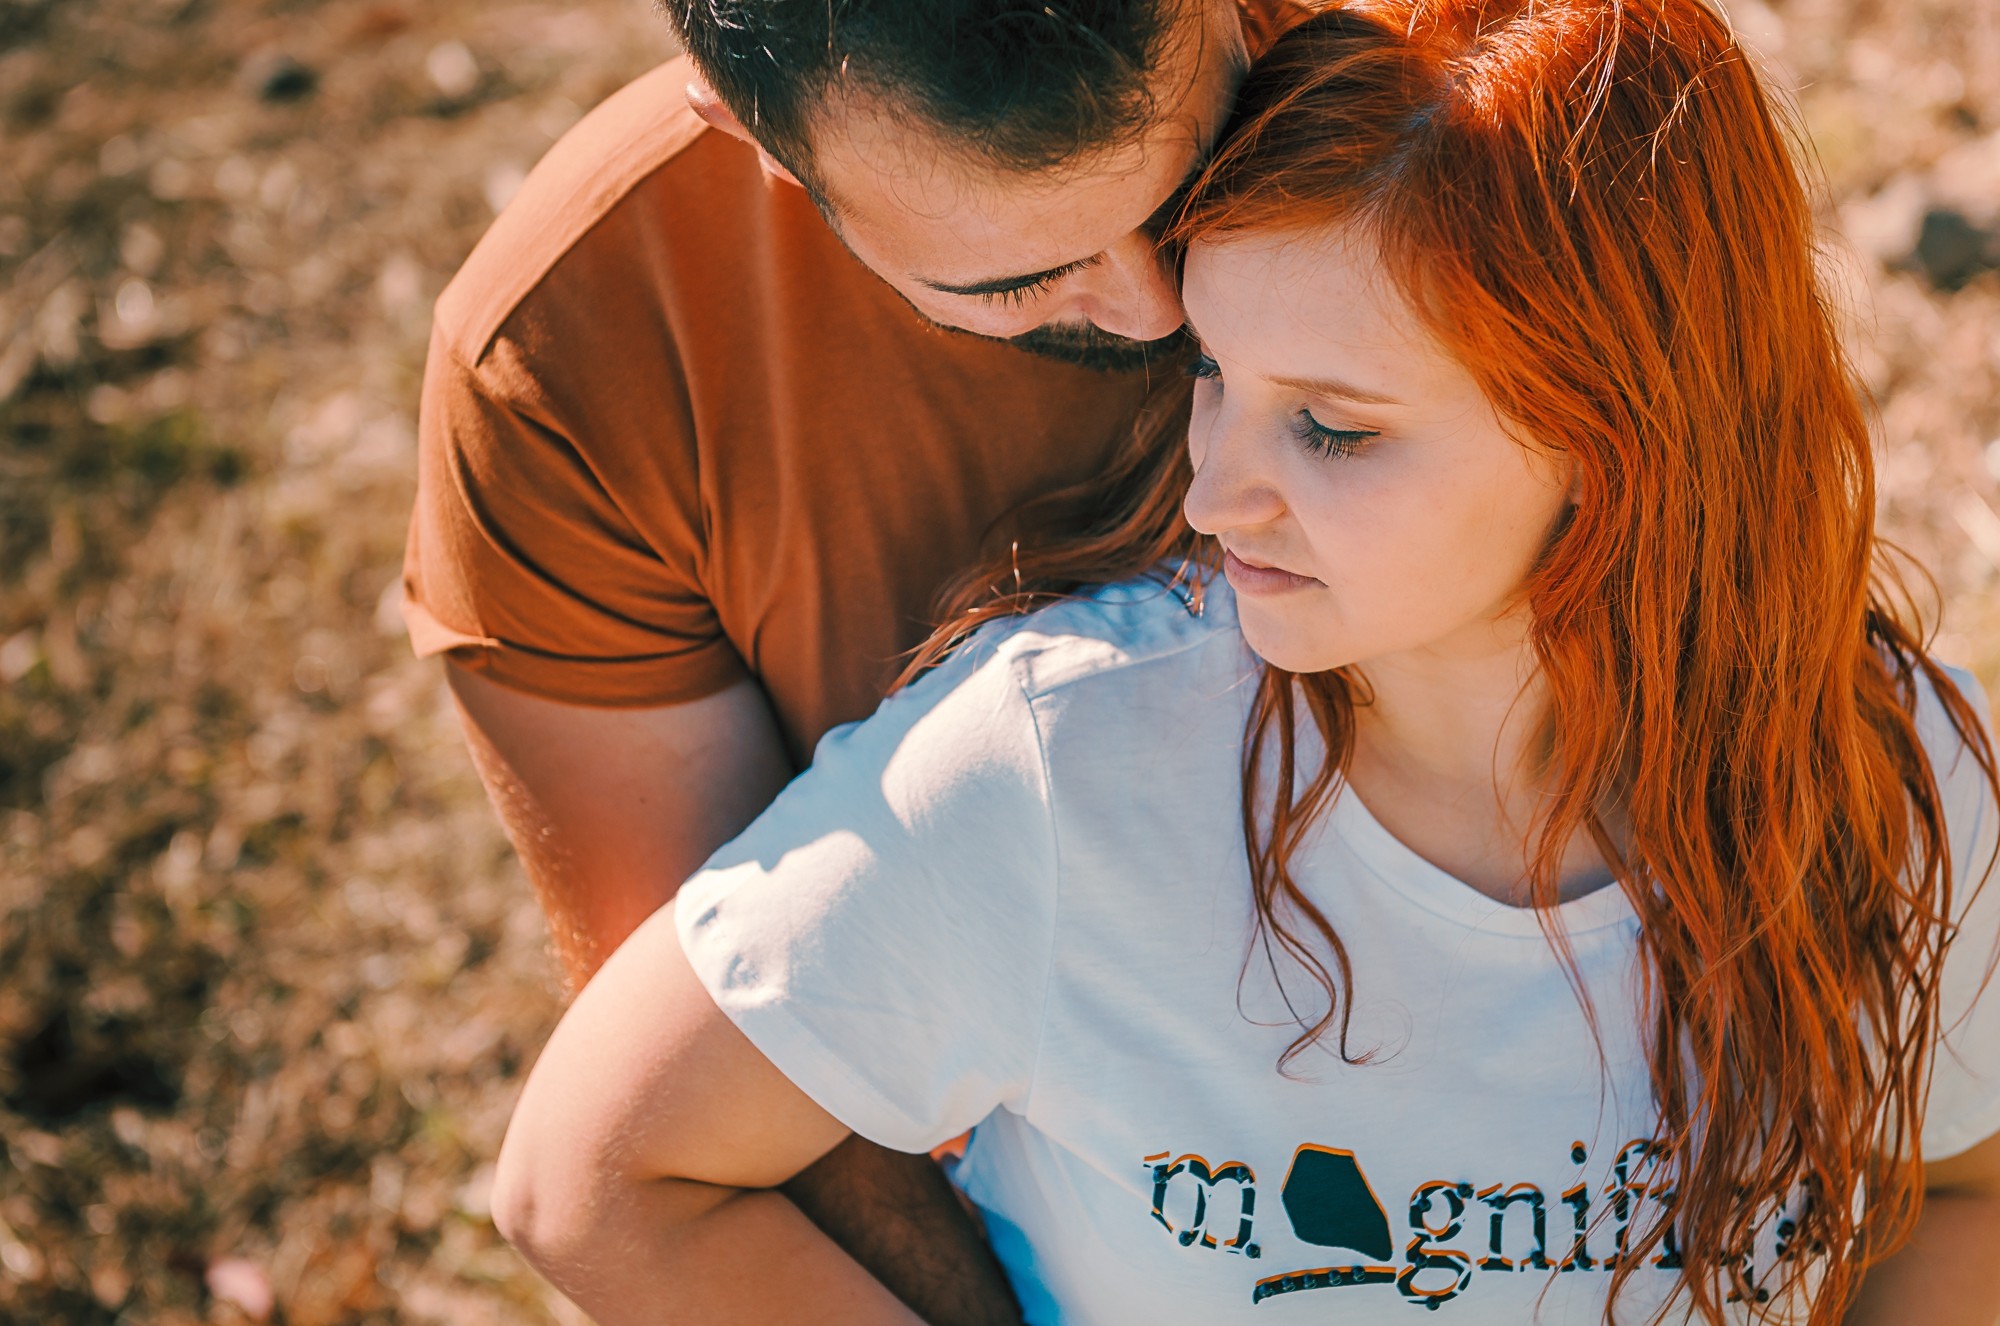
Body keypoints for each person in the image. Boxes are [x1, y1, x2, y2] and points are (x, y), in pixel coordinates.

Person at [489, 0, 2000, 1321]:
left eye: (1334, 426)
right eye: (1215, 377)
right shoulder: (1051, 767)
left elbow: (1968, 1188)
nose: (1209, 496)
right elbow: (597, 1175)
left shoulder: (1911, 776)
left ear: (1618, 443)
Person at [404, 1, 1298, 1318]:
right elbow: (728, 1063)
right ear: (739, 117)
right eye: (1018, 277)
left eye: (1194, 175)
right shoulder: (572, 353)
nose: (1161, 306)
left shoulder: (1453, 77)